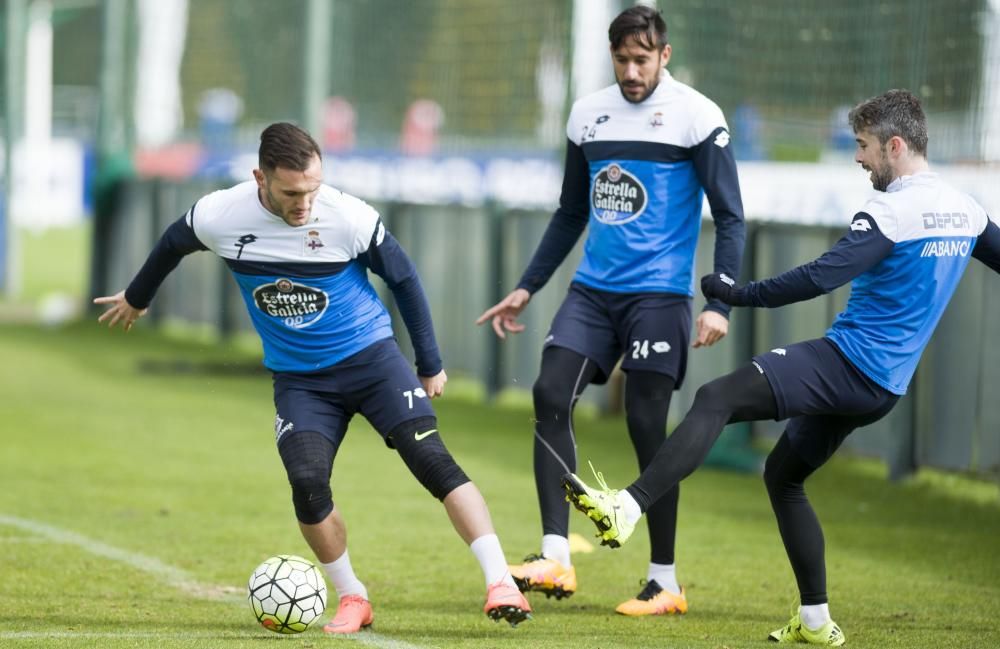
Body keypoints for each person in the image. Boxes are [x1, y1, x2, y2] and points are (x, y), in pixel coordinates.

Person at [563, 89, 1000, 645]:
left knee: (715, 398)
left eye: (864, 147)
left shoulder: (892, 211)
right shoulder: (966, 209)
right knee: (783, 477)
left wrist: (735, 294)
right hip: (884, 388)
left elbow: (821, 276)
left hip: (847, 363)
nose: (859, 159)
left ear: (895, 144)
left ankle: (627, 506)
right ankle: (815, 620)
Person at [94, 122, 532, 632]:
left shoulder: (347, 217)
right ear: (261, 178)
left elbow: (405, 277)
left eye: (313, 188)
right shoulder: (221, 215)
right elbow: (173, 241)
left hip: (373, 363)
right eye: (291, 192)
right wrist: (138, 297)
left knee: (430, 459)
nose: (305, 203)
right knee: (306, 481)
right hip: (301, 381)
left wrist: (429, 362)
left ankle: (500, 580)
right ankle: (352, 597)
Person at [476, 5, 745, 616]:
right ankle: (554, 556)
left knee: (647, 427)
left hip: (660, 297)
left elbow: (729, 215)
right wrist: (527, 285)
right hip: (592, 293)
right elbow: (571, 211)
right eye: (621, 59)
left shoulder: (698, 117)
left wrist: (719, 300)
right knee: (549, 392)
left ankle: (665, 580)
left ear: (664, 55)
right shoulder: (586, 115)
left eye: (641, 59)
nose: (630, 71)